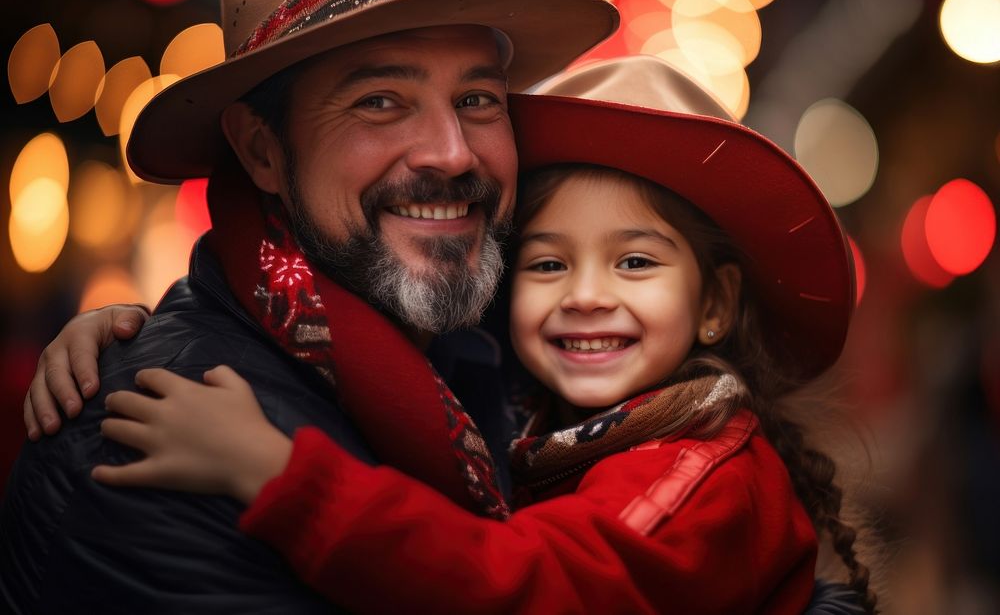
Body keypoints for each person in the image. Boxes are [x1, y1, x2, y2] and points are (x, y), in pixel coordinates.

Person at [20, 57, 878, 613]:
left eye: (636, 264)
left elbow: (526, 586)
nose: (585, 297)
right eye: (546, 264)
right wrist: (127, 328)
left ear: (717, 306)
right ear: (262, 152)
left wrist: (285, 477)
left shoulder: (699, 469)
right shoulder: (519, 397)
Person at [0, 0, 619, 611]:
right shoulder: (152, 428)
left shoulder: (507, 356)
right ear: (262, 151)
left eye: (476, 99)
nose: (453, 151)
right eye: (380, 101)